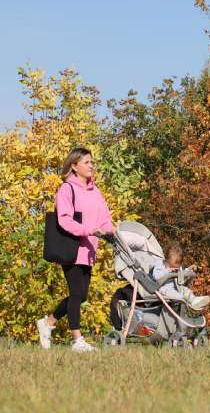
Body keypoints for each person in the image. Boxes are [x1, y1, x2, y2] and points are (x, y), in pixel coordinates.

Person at [36, 148, 113, 352]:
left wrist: (112, 232)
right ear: (74, 166)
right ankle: (77, 340)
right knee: (77, 293)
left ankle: (48, 322)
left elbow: (104, 218)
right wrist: (89, 230)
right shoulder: (66, 189)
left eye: (91, 162)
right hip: (71, 248)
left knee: (81, 296)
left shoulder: (95, 191)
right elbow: (64, 220)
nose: (91, 166)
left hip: (89, 249)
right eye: (86, 162)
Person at [150, 243, 210, 311]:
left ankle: (194, 301)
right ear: (167, 260)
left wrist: (189, 270)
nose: (177, 267)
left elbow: (182, 272)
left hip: (177, 287)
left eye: (179, 264)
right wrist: (169, 271)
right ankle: (186, 301)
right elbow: (156, 276)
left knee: (186, 290)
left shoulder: (177, 267)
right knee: (175, 294)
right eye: (174, 264)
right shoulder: (160, 265)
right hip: (164, 288)